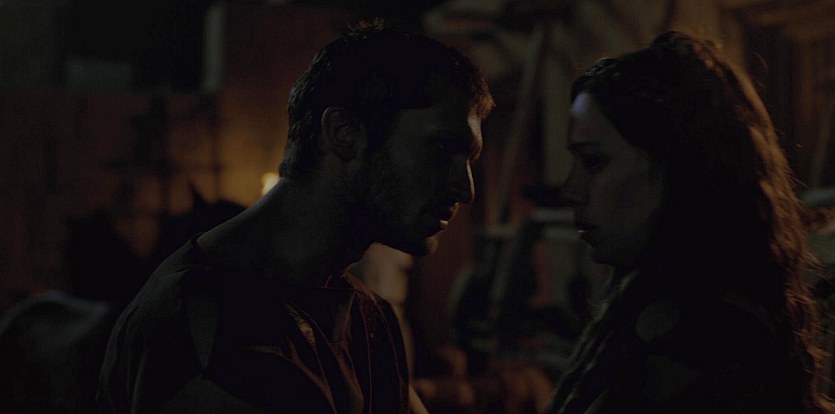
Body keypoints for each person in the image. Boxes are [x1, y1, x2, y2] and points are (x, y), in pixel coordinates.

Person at [96, 21, 493, 414]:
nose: (465, 190)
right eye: (442, 149)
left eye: (470, 161)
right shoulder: (210, 328)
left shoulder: (368, 317)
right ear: (344, 133)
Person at [548, 32, 832, 414]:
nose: (570, 190)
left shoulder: (702, 344)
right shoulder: (666, 316)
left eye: (594, 162)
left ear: (673, 168)